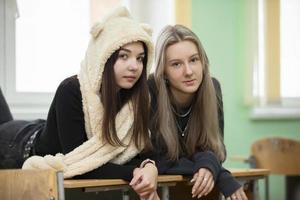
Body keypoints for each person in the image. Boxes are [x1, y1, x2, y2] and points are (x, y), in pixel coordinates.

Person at [0, 7, 159, 200]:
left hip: (41, 128)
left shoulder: (136, 101)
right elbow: (80, 166)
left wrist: (149, 166)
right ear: (104, 57)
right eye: (123, 56)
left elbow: (144, 152)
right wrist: (136, 171)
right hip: (14, 145)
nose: (134, 66)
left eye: (140, 58)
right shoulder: (71, 89)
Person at [147, 24, 247, 200]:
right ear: (164, 71)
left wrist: (210, 165)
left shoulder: (213, 88)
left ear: (203, 61)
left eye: (194, 60)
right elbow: (158, 159)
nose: (189, 71)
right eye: (176, 64)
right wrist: (219, 173)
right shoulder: (150, 90)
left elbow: (216, 148)